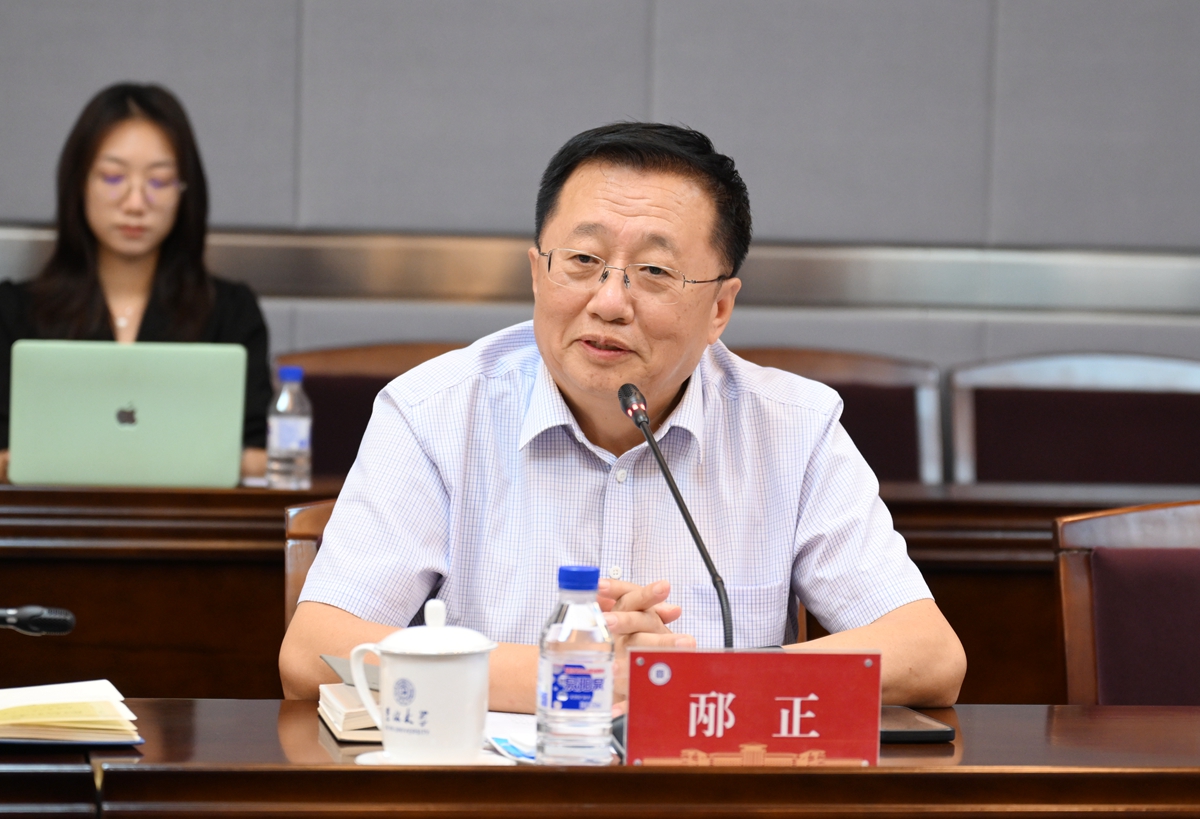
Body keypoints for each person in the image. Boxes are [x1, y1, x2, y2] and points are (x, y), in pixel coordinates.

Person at [280, 123, 966, 710]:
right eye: (583, 260)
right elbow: (314, 655)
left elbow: (929, 656)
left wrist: (682, 683)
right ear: (537, 273)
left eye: (655, 272)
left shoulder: (793, 429)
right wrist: (574, 677)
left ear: (720, 309)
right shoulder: (434, 413)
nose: (609, 302)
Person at [0, 83, 272, 480]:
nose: (135, 203)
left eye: (159, 181)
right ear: (78, 183)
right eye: (113, 177)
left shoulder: (230, 312)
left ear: (185, 192)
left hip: (189, 518)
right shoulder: (12, 312)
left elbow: (261, 457)